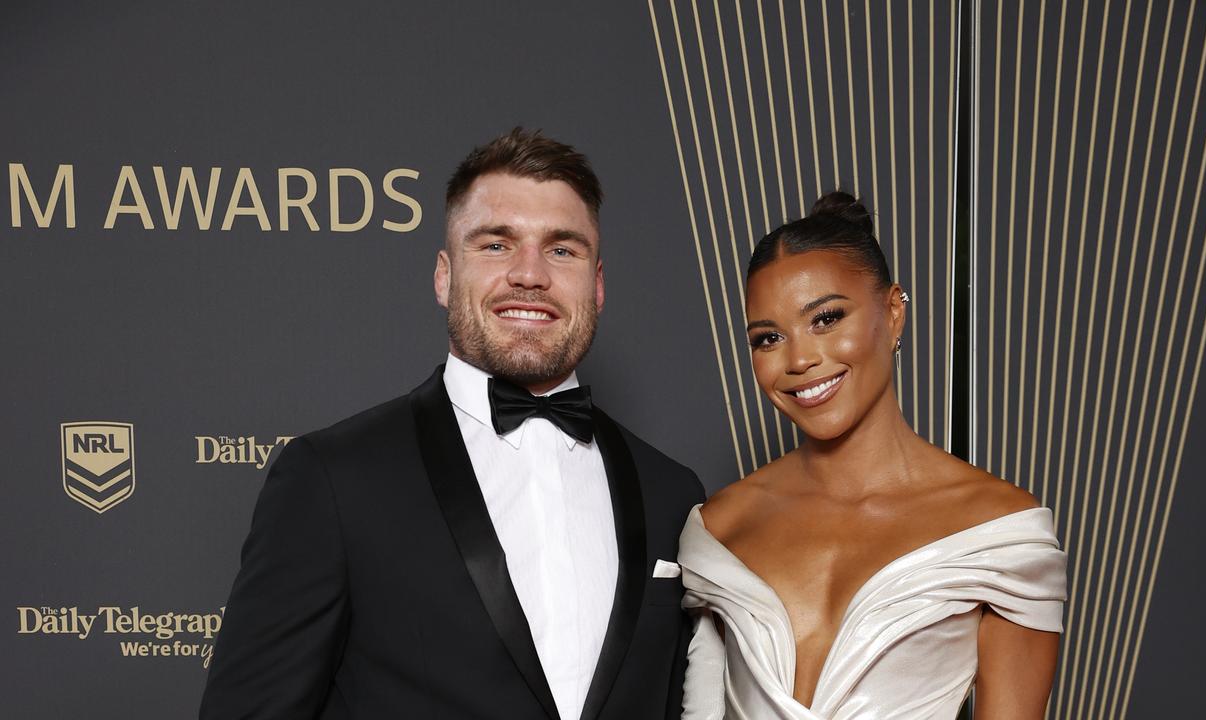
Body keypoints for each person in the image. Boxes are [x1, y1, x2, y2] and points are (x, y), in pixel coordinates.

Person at [200, 128, 705, 720]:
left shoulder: (672, 493)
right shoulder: (332, 480)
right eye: (496, 245)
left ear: (596, 286)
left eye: (562, 250)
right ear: (444, 276)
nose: (530, 274)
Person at [678, 192, 1067, 719]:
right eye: (768, 338)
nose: (799, 359)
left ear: (893, 311)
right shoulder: (720, 528)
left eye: (826, 319)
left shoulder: (999, 534)